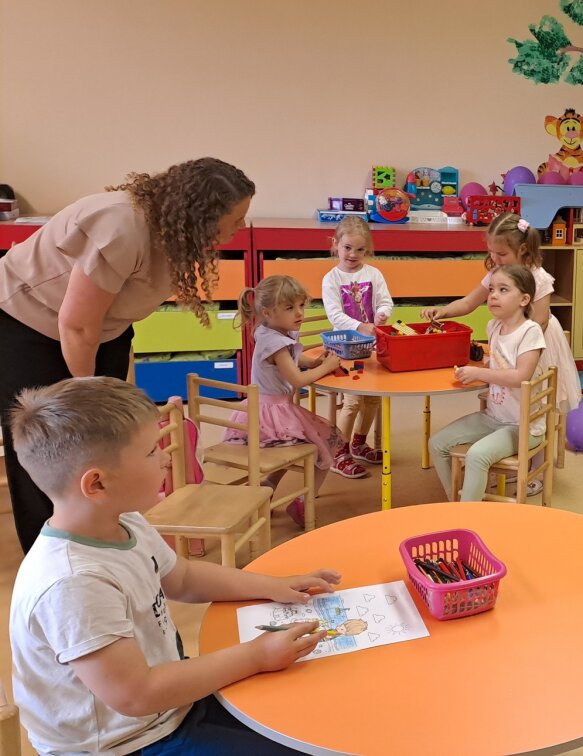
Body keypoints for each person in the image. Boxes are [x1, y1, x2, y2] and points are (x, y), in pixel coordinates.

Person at [7, 376, 340, 755]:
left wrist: (272, 585)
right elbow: (136, 695)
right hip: (128, 742)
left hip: (170, 704)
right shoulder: (73, 583)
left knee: (308, 717)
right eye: (152, 451)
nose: (167, 457)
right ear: (97, 484)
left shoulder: (123, 520)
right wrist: (256, 656)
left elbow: (183, 577)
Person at [0, 157, 255, 552]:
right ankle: (54, 552)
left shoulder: (175, 233)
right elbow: (76, 326)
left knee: (109, 439)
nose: (241, 227)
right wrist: (90, 395)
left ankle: (103, 534)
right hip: (27, 323)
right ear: (202, 213)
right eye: (235, 219)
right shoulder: (120, 226)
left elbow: (110, 317)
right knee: (51, 442)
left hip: (99, 329)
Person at [423, 212, 580, 494]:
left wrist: (516, 344)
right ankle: (493, 470)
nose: (495, 258)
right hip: (510, 331)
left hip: (534, 338)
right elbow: (469, 302)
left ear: (522, 249)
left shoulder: (538, 277)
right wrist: (443, 312)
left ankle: (531, 471)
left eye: (501, 253)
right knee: (508, 398)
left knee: (538, 399)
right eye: (491, 252)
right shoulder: (497, 281)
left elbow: (539, 322)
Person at [226, 274, 367, 528]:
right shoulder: (276, 342)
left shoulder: (267, 331)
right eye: (290, 308)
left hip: (263, 411)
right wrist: (326, 367)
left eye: (301, 305)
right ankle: (303, 502)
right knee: (330, 442)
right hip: (274, 415)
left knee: (295, 449)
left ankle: (268, 487)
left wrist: (312, 362)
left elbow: (290, 360)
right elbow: (298, 380)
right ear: (267, 312)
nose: (299, 313)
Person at [428, 265, 548, 501]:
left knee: (477, 456)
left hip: (523, 426)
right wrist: (474, 370)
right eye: (491, 289)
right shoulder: (493, 327)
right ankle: (456, 504)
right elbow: (495, 364)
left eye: (503, 290)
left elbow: (521, 376)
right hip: (493, 417)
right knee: (436, 443)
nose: (492, 295)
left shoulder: (530, 331)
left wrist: (480, 374)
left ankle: (467, 517)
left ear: (524, 299)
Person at [322, 215, 393, 466]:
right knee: (352, 401)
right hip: (343, 350)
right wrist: (360, 325)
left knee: (372, 398)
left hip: (370, 348)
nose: (353, 254)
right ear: (335, 244)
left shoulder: (373, 274)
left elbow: (385, 301)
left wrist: (382, 313)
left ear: (367, 250)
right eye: (347, 247)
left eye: (360, 250)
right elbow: (335, 315)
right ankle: (338, 452)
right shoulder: (331, 279)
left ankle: (358, 444)